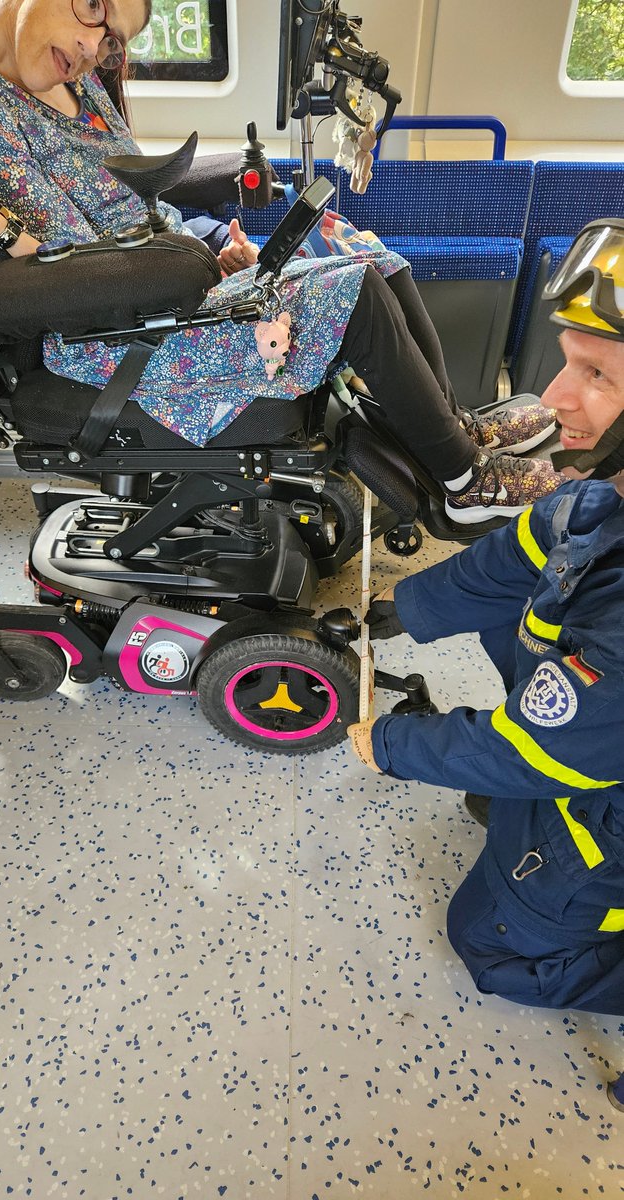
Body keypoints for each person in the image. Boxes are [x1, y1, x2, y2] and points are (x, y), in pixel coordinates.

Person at [0, 0, 558, 520]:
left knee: (370, 255)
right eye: (93, 7)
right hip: (113, 328)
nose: (89, 45)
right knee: (358, 297)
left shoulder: (75, 81)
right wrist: (193, 263)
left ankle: (455, 429)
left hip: (160, 276)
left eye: (109, 41)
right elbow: (64, 262)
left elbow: (136, 196)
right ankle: (463, 483)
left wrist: (214, 245)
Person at [348, 219, 624, 1015]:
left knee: (487, 943)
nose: (556, 398)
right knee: (513, 611)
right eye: (568, 364)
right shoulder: (597, 496)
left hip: (603, 795)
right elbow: (511, 561)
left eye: (597, 376)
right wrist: (405, 606)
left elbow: (539, 746)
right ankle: (528, 807)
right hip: (592, 741)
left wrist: (392, 744)